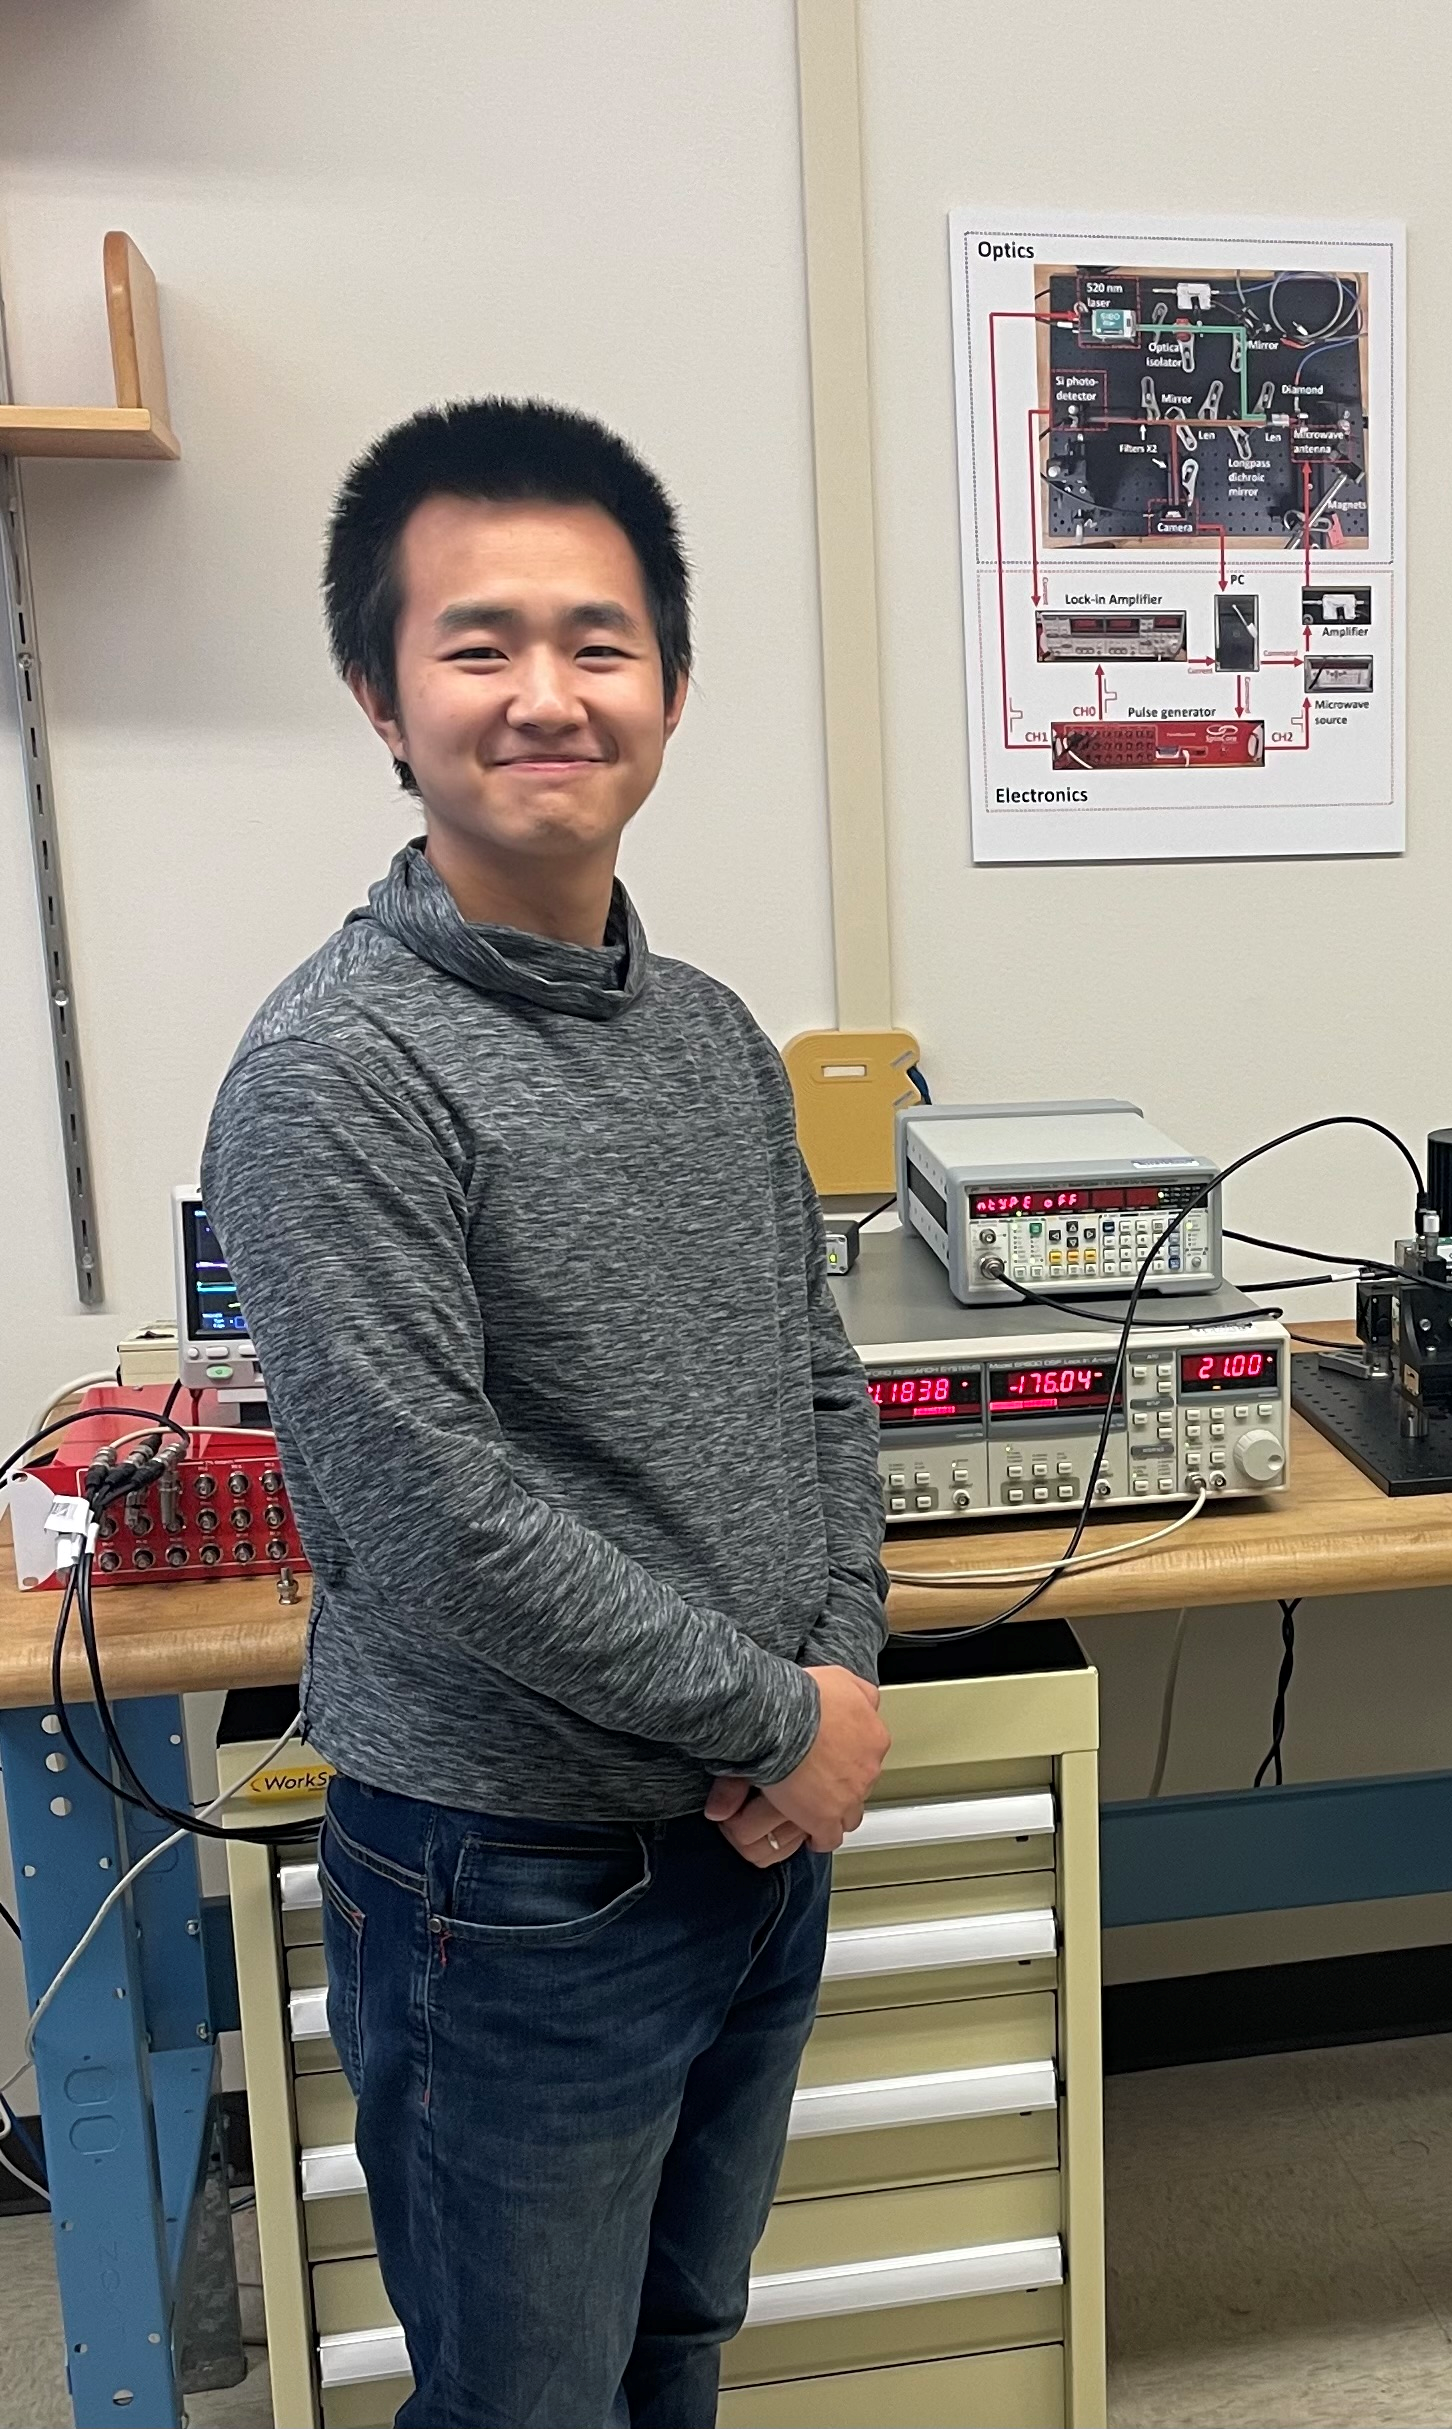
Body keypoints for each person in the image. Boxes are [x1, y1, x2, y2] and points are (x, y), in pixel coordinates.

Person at [202, 397, 890, 2429]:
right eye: (477, 642)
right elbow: (429, 1518)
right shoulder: (337, 1069)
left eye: (597, 643)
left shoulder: (704, 1035)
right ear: (379, 694)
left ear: (669, 684)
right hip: (512, 1884)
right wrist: (786, 1719)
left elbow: (815, 1375)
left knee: (675, 2344)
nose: (545, 695)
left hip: (752, 1835)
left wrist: (833, 1668)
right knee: (524, 2400)